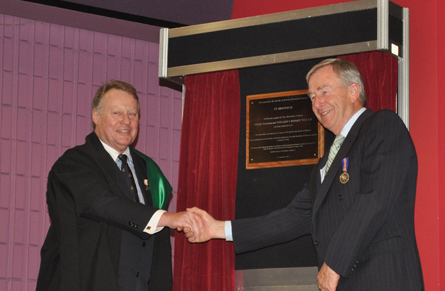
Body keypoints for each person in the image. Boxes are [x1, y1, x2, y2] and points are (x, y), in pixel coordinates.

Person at [186, 59, 424, 291]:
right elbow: (290, 218)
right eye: (312, 97)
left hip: (383, 278)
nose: (317, 104)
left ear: (353, 91)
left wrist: (334, 264)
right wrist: (216, 228)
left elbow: (373, 200)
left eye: (324, 92)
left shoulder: (382, 125)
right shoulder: (326, 162)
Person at [37, 80, 203, 291]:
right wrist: (167, 218)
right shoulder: (73, 164)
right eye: (117, 113)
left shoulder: (148, 170)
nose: (126, 121)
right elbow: (102, 203)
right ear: (95, 117)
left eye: (132, 114)